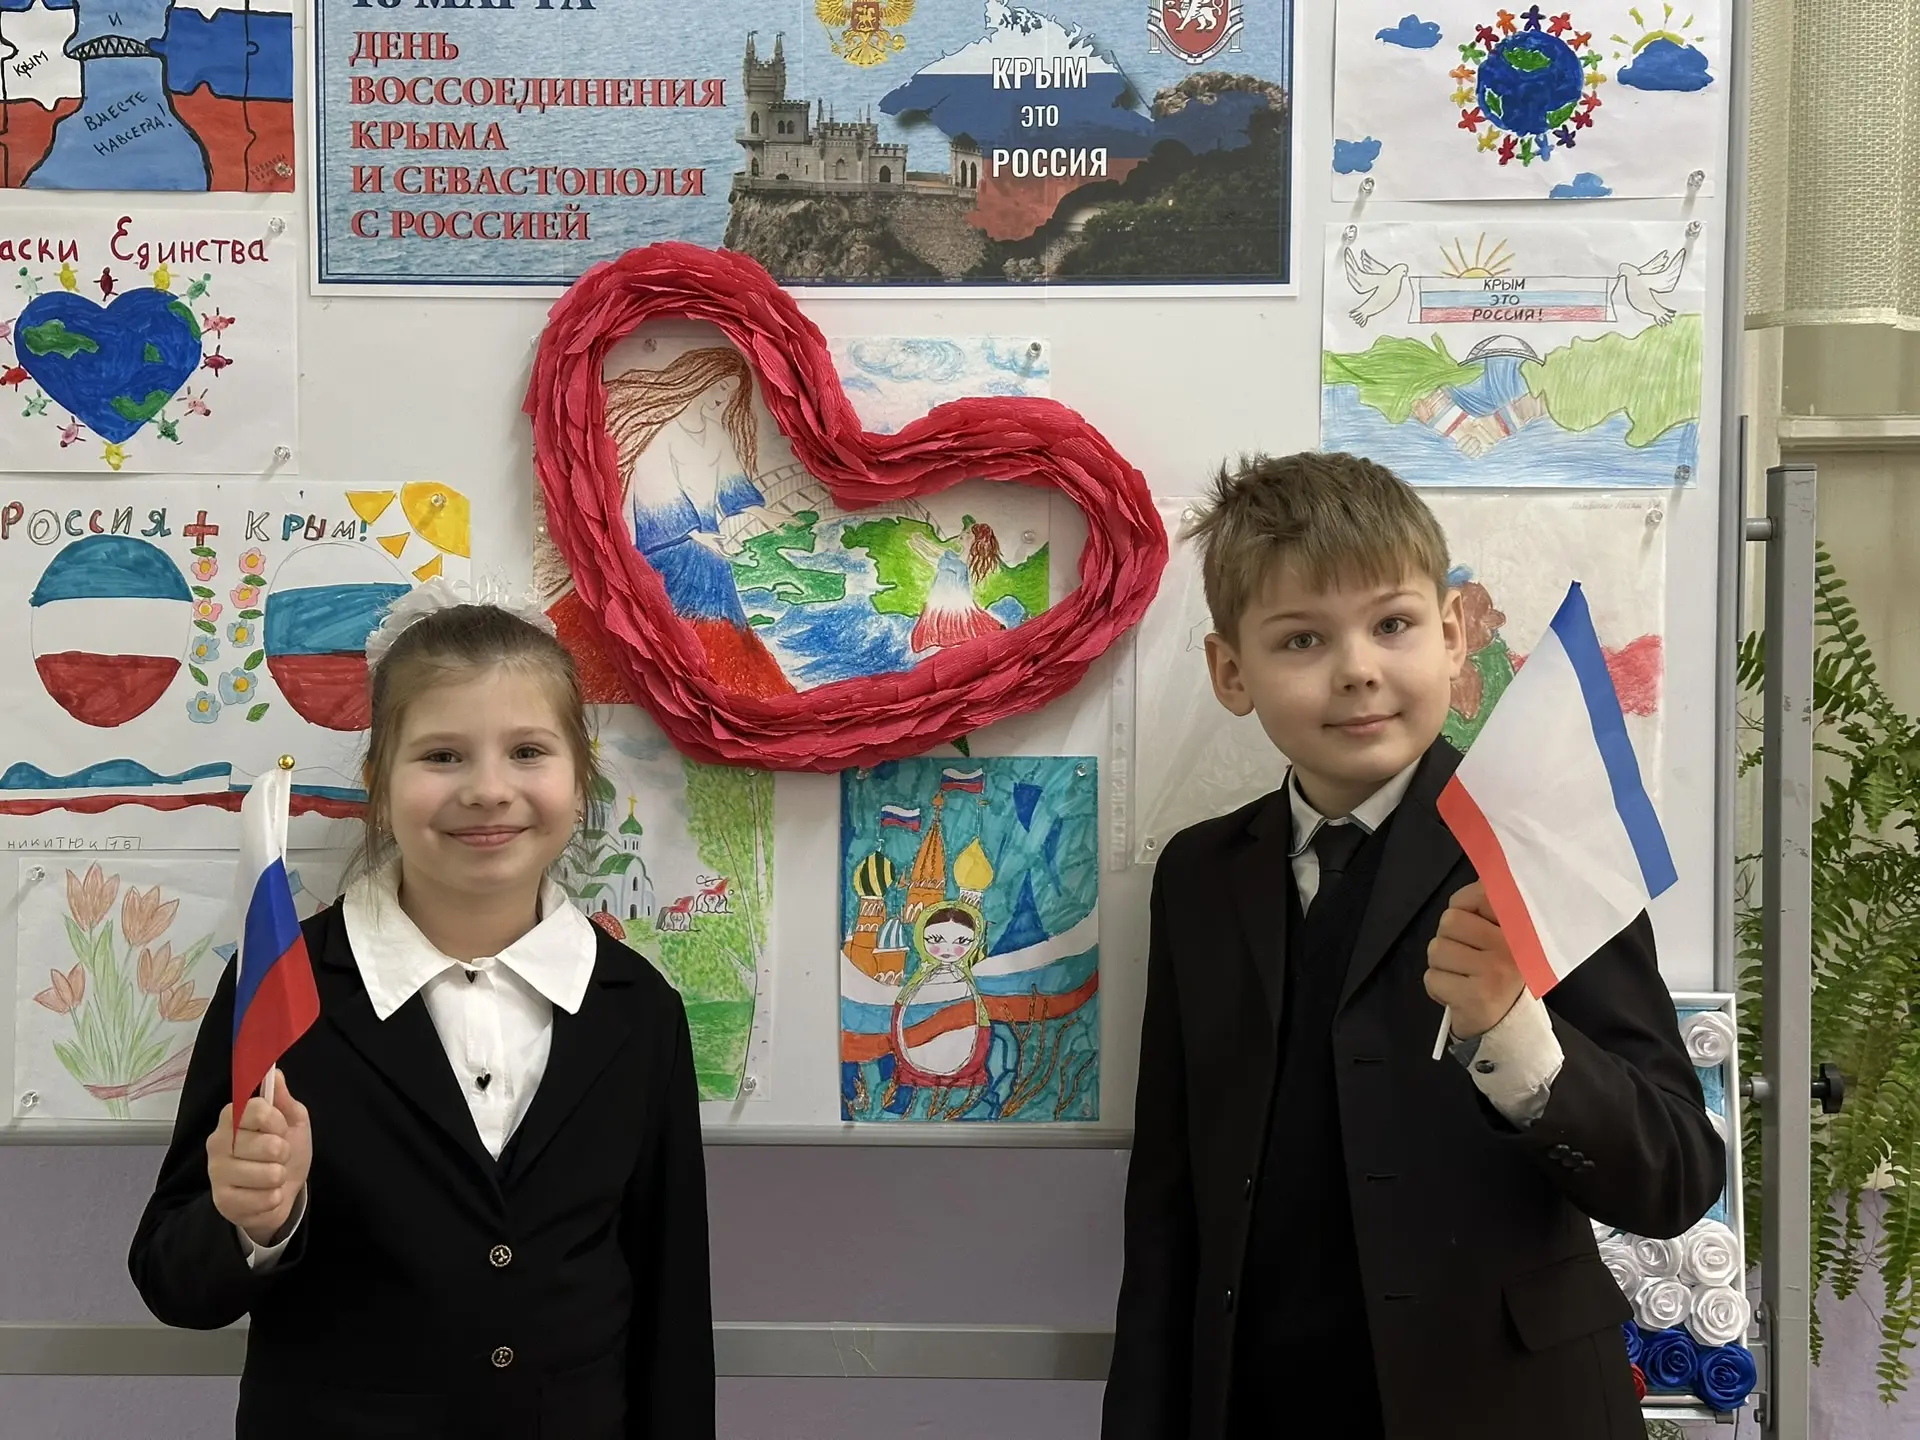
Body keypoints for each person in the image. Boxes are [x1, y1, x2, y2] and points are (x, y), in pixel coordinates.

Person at [1103, 453, 1722, 1440]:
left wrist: (1515, 1034)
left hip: (1510, 1406)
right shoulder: (1199, 878)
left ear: (1454, 632)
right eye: (1302, 639)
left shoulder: (1543, 842)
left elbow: (1676, 1175)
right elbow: (1169, 1200)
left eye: (1392, 625)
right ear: (1231, 672)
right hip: (1264, 1400)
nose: (1357, 669)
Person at [128, 585, 715, 1440]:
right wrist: (252, 1222)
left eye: (528, 751)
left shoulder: (637, 1009)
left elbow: (671, 1300)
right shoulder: (286, 986)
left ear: (580, 775)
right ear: (379, 782)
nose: (488, 790)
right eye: (442, 755)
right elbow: (172, 1282)